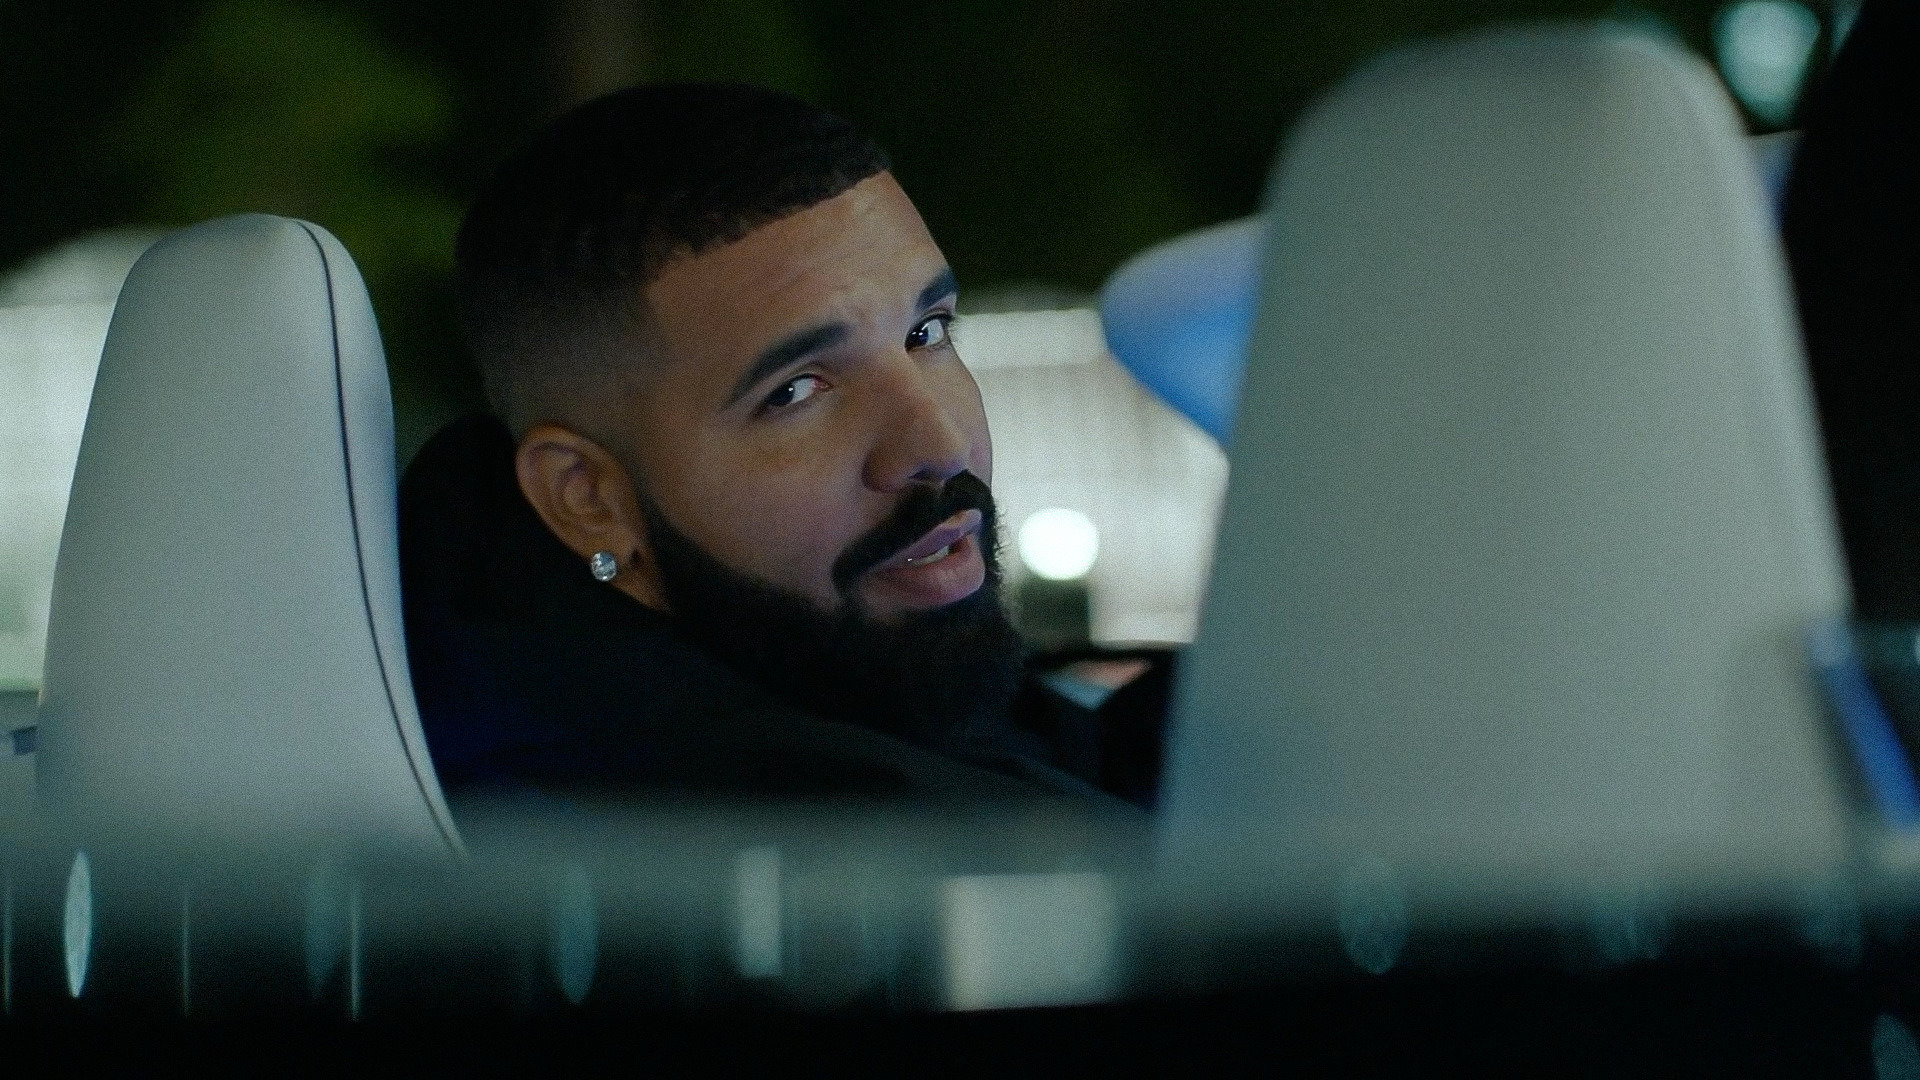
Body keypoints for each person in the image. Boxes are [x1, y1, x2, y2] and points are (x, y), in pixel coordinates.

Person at [400, 83, 1159, 815]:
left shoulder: (851, 698)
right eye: (795, 390)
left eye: (925, 332)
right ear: (590, 501)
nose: (941, 444)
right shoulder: (758, 857)